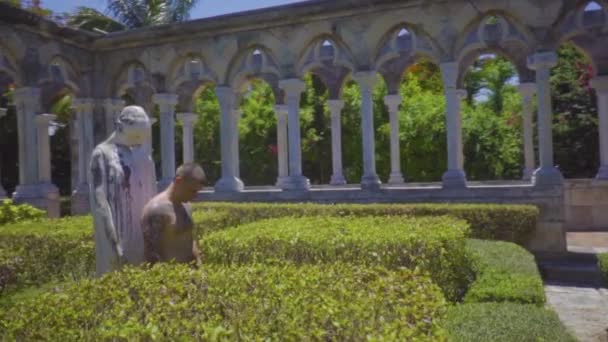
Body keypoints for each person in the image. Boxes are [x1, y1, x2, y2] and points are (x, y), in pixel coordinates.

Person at [89, 106, 157, 276]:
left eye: (141, 137)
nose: (138, 141)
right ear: (120, 126)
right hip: (118, 234)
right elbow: (100, 201)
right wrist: (112, 242)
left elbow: (152, 194)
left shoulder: (141, 154)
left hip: (142, 236)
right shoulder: (102, 154)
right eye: (135, 136)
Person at [141, 163, 205, 266]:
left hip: (190, 276)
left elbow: (189, 240)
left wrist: (200, 268)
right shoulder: (157, 210)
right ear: (178, 181)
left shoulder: (186, 206)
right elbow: (152, 256)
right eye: (192, 191)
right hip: (171, 278)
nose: (195, 196)